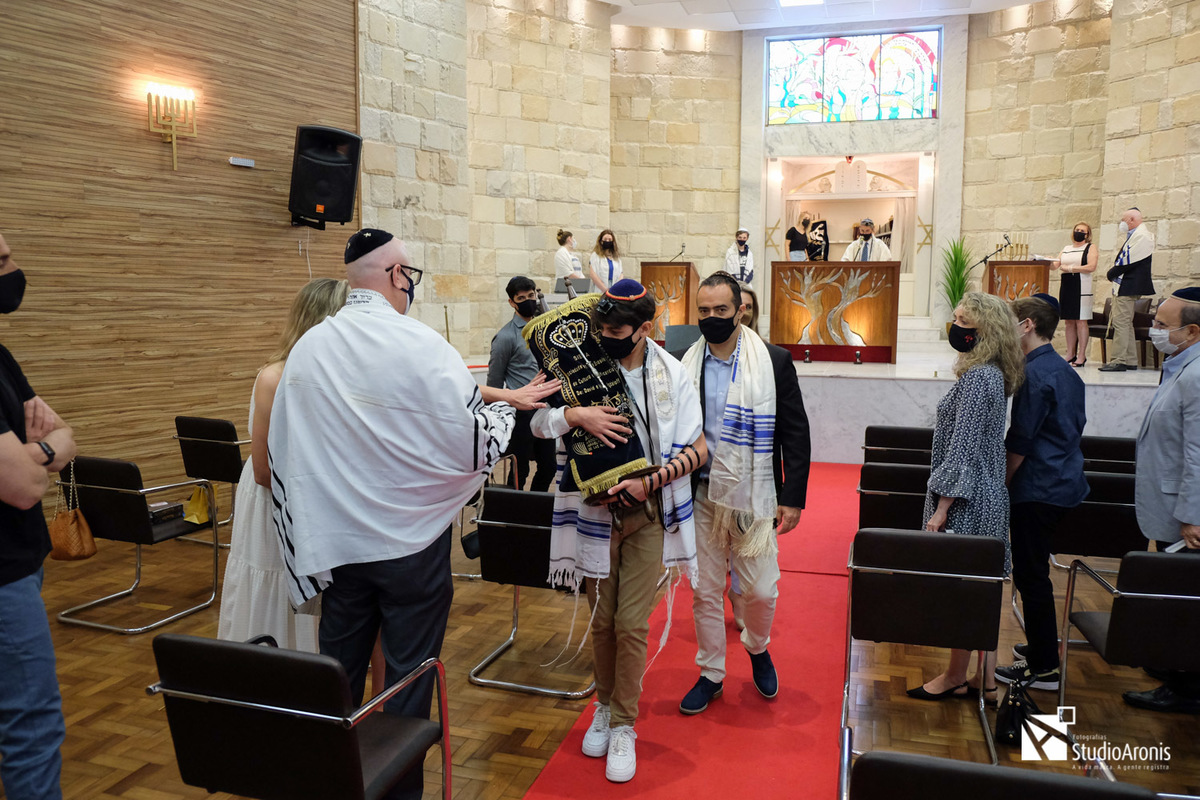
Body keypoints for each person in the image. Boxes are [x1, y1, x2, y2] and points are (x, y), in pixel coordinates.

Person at [268, 228, 558, 800]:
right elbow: (469, 440)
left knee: (337, 678)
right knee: (407, 685)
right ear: (397, 275)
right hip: (411, 546)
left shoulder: (310, 349)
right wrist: (506, 415)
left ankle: (332, 786)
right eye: (411, 275)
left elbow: (287, 447)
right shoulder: (421, 344)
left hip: (339, 545)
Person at [532, 279, 706, 783]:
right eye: (601, 329)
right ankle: (604, 708)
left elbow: (698, 449)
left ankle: (625, 725)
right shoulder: (576, 366)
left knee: (631, 623)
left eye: (615, 332)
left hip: (647, 512)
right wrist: (574, 414)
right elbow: (537, 425)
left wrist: (647, 481)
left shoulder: (672, 373)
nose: (605, 337)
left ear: (644, 329)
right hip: (592, 514)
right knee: (602, 621)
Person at [678, 271, 811, 715]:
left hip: (753, 493)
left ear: (740, 311)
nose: (712, 317)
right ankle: (711, 673)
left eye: (721, 309)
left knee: (760, 591)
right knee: (705, 590)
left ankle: (757, 646)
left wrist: (793, 496)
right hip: (700, 492)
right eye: (704, 310)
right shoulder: (684, 362)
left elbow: (795, 431)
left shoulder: (773, 360)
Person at [217, 277, 348, 650]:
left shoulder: (332, 374)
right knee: (276, 584)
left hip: (310, 496)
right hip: (276, 500)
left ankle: (312, 670)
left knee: (315, 595)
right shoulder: (274, 377)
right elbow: (263, 471)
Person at [907, 291, 1024, 703]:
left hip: (967, 501)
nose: (954, 328)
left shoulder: (977, 379)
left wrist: (941, 509)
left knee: (962, 589)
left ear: (984, 332)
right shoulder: (993, 373)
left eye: (962, 322)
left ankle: (957, 675)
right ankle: (984, 679)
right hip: (987, 492)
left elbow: (962, 448)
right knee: (981, 588)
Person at [0, 232, 78, 800]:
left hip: (22, 563)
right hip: (2, 576)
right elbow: (25, 486)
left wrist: (38, 451)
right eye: (2, 260)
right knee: (32, 726)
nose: (14, 269)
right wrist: (43, 455)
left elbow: (63, 435)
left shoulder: (1, 357)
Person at [993, 294, 1088, 698]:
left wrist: (1001, 484)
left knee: (1031, 575)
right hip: (1063, 480)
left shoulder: (1034, 374)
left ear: (1027, 325)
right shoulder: (1064, 370)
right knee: (1034, 573)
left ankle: (1044, 665)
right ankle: (1041, 646)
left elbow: (1021, 440)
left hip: (1037, 488)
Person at [1123, 286, 1200, 713]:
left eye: (1161, 324)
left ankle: (1186, 688)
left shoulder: (1197, 375)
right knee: (1170, 592)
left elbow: (1197, 452)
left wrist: (1193, 515)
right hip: (1169, 505)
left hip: (1183, 514)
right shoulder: (1181, 365)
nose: (1153, 330)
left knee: (1182, 598)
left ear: (1192, 331)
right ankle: (1172, 665)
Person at [488, 276, 556, 492]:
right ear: (512, 302)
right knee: (520, 470)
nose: (528, 301)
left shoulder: (544, 329)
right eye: (521, 298)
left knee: (549, 467)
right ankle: (513, 510)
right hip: (520, 413)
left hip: (545, 408)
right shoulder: (505, 336)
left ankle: (534, 506)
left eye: (531, 295)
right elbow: (494, 383)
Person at [1100, 207, 1155, 372]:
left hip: (1129, 285)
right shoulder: (1137, 235)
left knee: (1121, 323)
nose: (1122, 223)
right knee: (1125, 323)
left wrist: (1111, 273)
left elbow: (1128, 261)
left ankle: (1118, 360)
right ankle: (1130, 360)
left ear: (1132, 220)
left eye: (1124, 220)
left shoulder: (1142, 236)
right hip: (1128, 285)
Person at [1051, 222, 1096, 367]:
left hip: (1082, 285)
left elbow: (1091, 267)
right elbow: (1056, 266)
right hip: (1067, 285)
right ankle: (1070, 353)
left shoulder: (1090, 247)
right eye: (1077, 229)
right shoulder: (1066, 249)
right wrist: (1045, 261)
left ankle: (1081, 355)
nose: (1079, 232)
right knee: (1069, 321)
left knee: (1081, 321)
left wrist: (1070, 268)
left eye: (1082, 230)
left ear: (1087, 235)